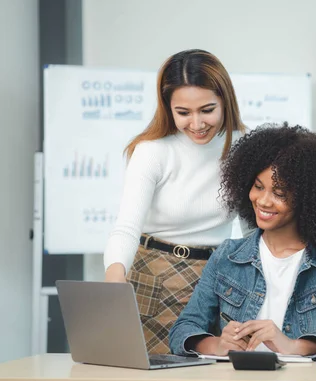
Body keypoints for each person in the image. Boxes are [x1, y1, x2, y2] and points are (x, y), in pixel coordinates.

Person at [169, 123, 316, 360]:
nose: (263, 201)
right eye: (258, 187)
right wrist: (217, 344)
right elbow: (181, 331)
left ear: (309, 200)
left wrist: (294, 346)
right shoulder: (227, 256)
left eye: (279, 193)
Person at [103, 49, 246, 354]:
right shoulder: (152, 151)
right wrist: (115, 278)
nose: (197, 124)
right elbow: (127, 227)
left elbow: (252, 234)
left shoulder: (244, 147)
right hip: (153, 282)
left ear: (225, 101)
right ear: (168, 109)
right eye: (183, 113)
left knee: (214, 379)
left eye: (207, 109)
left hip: (217, 282)